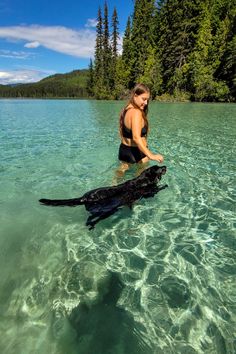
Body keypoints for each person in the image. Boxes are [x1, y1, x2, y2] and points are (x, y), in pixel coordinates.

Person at [118, 83, 164, 174]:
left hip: (124, 151)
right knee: (141, 184)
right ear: (135, 95)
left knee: (116, 181)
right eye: (144, 99)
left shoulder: (126, 109)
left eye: (147, 100)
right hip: (137, 154)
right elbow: (136, 137)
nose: (146, 103)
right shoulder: (136, 112)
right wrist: (151, 156)